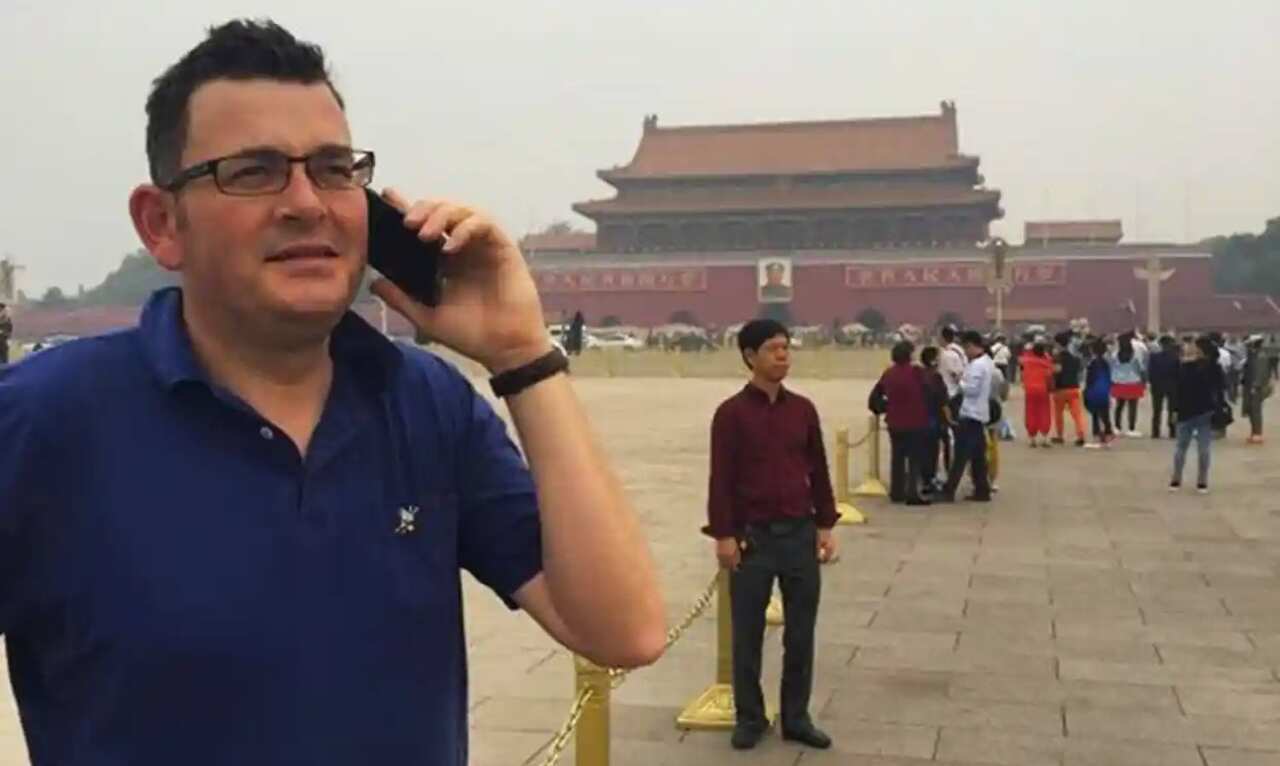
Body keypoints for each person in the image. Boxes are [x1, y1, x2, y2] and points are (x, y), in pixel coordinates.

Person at [0, 21, 666, 766]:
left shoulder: (423, 404)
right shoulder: (43, 418)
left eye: (333, 168)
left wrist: (523, 357)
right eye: (252, 172)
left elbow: (623, 631)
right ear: (163, 224)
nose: (306, 203)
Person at [707, 318, 836, 752]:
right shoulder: (730, 415)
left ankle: (796, 716)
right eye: (772, 349)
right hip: (752, 539)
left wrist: (825, 524)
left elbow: (818, 468)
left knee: (801, 632)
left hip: (799, 534)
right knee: (747, 633)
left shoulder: (803, 410)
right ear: (749, 356)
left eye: (786, 347)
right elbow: (720, 480)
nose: (783, 355)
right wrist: (724, 536)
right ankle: (750, 716)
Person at [870, 341, 931, 506]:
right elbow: (930, 390)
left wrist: (884, 407)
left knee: (897, 457)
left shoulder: (888, 373)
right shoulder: (917, 372)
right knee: (914, 458)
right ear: (909, 355)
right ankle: (912, 492)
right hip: (915, 420)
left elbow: (875, 396)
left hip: (894, 421)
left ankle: (897, 492)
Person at [936, 330, 993, 503]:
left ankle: (949, 490)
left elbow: (971, 389)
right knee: (978, 456)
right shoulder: (987, 362)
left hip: (970, 414)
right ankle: (982, 489)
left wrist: (960, 381)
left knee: (961, 456)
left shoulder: (977, 365)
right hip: (979, 413)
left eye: (966, 347)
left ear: (971, 345)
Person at [1171, 336, 1227, 493]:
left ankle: (1178, 479)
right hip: (1201, 411)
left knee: (1184, 447)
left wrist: (1174, 410)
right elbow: (1221, 390)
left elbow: (1178, 391)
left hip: (1192, 412)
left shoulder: (1188, 367)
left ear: (1201, 350)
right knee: (1200, 449)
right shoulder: (1212, 368)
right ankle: (1199, 481)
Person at [918, 346, 950, 493]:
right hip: (933, 418)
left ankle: (922, 479)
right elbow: (943, 400)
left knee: (921, 450)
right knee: (932, 451)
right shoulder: (936, 377)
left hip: (919, 418)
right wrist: (949, 419)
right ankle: (929, 480)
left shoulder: (918, 375)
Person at [1050, 331, 1087, 447]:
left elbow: (1056, 372)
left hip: (1060, 389)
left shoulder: (1057, 358)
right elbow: (1079, 371)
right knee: (1077, 414)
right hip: (1074, 388)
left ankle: (1060, 436)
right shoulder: (1075, 358)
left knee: (1058, 414)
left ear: (1058, 344)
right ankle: (1081, 435)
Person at [1109, 332, 1147, 437]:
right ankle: (1131, 429)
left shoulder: (1115, 354)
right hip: (1133, 382)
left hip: (1119, 382)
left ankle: (1117, 427)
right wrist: (1144, 381)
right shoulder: (1135, 354)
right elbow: (1141, 368)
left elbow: (1111, 367)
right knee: (1132, 407)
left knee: (1119, 406)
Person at [1020, 341, 1055, 447]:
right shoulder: (1047, 362)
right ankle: (1044, 438)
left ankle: (1032, 439)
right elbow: (1049, 377)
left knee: (1030, 413)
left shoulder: (1027, 360)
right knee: (1044, 413)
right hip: (1042, 390)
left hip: (1030, 390)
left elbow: (1022, 371)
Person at [1084, 338, 1116, 449]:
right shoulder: (1106, 363)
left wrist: (1086, 391)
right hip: (1105, 391)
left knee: (1095, 416)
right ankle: (1108, 436)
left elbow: (1089, 379)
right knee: (1105, 415)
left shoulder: (1092, 363)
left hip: (1094, 392)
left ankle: (1098, 437)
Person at [1147, 335, 1181, 439]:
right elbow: (1179, 373)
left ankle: (1155, 431)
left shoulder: (1153, 357)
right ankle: (1173, 431)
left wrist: (1153, 383)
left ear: (1160, 345)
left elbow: (1150, 373)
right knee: (1173, 410)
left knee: (1157, 409)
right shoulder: (1176, 358)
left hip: (1157, 386)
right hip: (1173, 386)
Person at [1241, 335, 1272, 444]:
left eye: (1250, 343)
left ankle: (1257, 433)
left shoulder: (1260, 355)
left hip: (1256, 388)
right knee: (1250, 410)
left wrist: (1255, 386)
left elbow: (1260, 372)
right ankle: (1254, 432)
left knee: (1256, 410)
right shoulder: (1253, 353)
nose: (1248, 345)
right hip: (1249, 386)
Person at [938, 325, 966, 398]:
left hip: (950, 393)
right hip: (956, 392)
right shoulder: (960, 350)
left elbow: (956, 375)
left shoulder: (948, 354)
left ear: (942, 338)